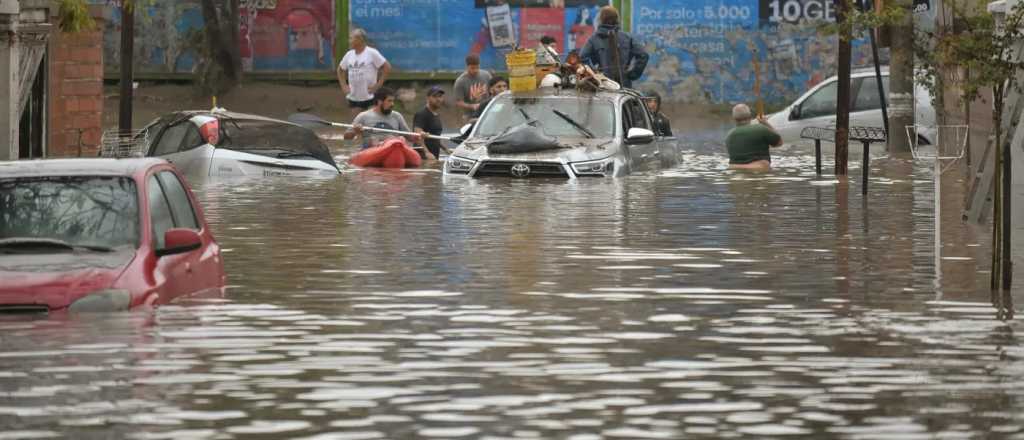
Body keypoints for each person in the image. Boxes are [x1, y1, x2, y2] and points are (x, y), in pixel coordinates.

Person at [580, 6, 648, 89]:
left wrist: (594, 74)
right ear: (617, 19)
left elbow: (582, 57)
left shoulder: (594, 39)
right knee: (625, 101)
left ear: (601, 19)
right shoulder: (627, 37)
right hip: (624, 85)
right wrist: (632, 74)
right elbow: (643, 55)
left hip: (603, 84)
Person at [344, 87, 422, 149]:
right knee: (374, 140)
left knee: (401, 138)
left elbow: (410, 138)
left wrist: (419, 136)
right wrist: (355, 131)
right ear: (379, 101)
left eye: (393, 101)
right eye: (389, 101)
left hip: (393, 147)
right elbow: (347, 137)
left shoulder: (397, 116)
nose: (392, 104)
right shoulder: (363, 116)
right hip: (372, 149)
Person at [337, 29, 391, 116]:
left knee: (371, 123)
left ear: (360, 39)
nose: (349, 41)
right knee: (356, 124)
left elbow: (387, 67)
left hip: (370, 96)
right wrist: (344, 86)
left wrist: (378, 85)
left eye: (351, 38)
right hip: (354, 96)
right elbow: (340, 70)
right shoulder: (349, 54)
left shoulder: (371, 53)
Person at [725, 103, 782, 170]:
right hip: (759, 169)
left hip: (734, 170)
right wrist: (765, 123)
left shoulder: (729, 135)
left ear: (734, 118)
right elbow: (779, 142)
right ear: (750, 116)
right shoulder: (761, 129)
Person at [453, 54, 492, 121]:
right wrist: (472, 106)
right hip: (470, 116)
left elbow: (492, 91)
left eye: (477, 67)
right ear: (467, 67)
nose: (475, 70)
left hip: (487, 114)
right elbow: (458, 102)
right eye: (472, 68)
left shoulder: (486, 75)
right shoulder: (460, 81)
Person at [413, 86, 447, 160]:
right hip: (423, 157)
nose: (438, 99)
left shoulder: (436, 115)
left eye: (440, 96)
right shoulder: (422, 114)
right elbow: (417, 135)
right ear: (428, 98)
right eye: (434, 96)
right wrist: (426, 152)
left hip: (434, 156)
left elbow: (435, 138)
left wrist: (446, 149)